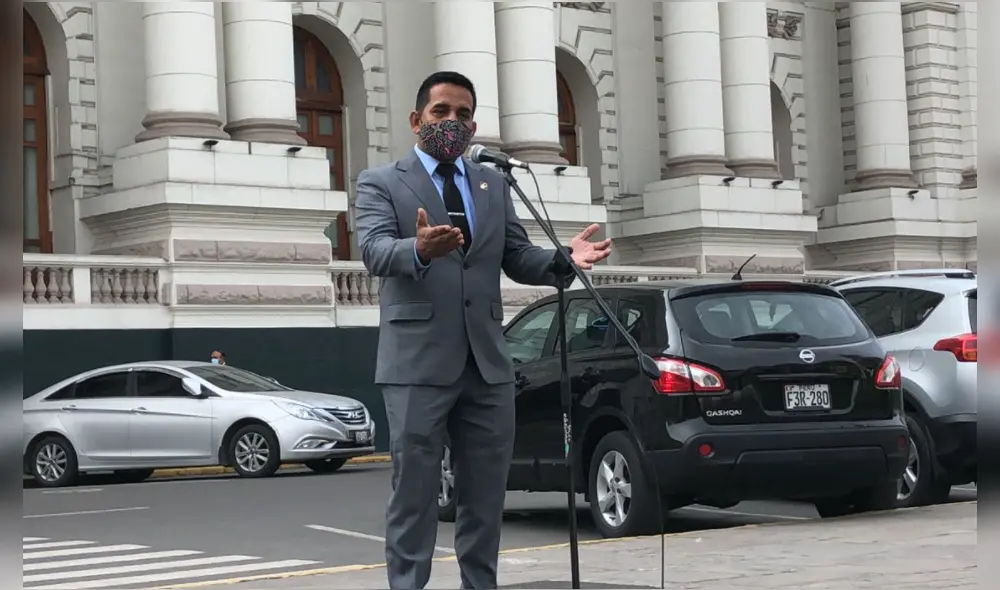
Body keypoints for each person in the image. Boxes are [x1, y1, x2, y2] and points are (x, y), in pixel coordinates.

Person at [355, 70, 612, 590]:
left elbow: (516, 255)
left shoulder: (491, 183)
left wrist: (565, 260)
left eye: (464, 114)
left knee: (485, 494)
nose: (453, 122)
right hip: (417, 363)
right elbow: (374, 251)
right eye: (441, 112)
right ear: (416, 120)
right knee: (416, 492)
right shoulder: (381, 181)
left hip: (489, 365)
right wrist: (419, 249)